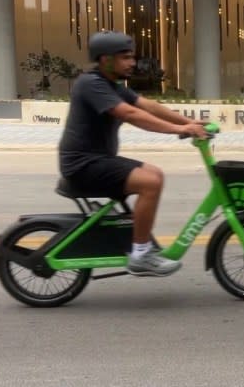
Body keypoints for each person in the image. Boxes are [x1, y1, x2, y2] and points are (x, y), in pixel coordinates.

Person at [58, 31, 208, 277]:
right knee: (151, 182)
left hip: (98, 160)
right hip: (83, 165)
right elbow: (131, 114)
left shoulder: (112, 85)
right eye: (125, 57)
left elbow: (147, 105)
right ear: (106, 60)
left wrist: (189, 122)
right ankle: (140, 254)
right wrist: (180, 130)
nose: (132, 63)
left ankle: (138, 243)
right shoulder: (92, 84)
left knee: (154, 174)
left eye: (132, 57)